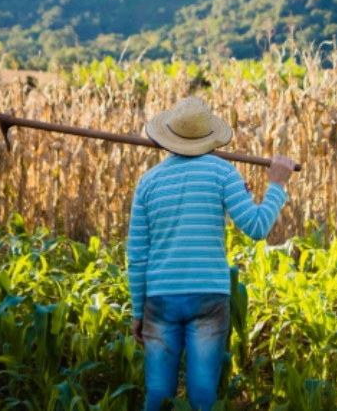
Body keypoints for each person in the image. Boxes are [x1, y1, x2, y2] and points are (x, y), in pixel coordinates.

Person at [127, 96, 298, 411]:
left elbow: (137, 256)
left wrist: (139, 311)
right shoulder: (224, 174)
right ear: (209, 137)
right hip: (209, 297)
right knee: (203, 396)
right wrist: (276, 185)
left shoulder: (148, 183)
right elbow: (258, 227)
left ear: (168, 136)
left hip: (160, 299)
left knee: (158, 396)